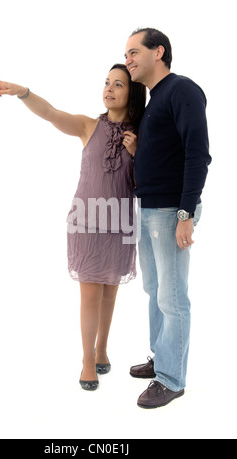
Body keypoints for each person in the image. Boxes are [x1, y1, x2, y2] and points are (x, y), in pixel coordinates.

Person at [0, 65, 146, 391]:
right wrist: (22, 92)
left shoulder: (141, 135)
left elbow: (144, 183)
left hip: (120, 222)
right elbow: (50, 113)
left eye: (118, 84)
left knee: (109, 293)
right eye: (107, 83)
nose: (110, 89)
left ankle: (102, 347)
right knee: (90, 295)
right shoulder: (89, 125)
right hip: (87, 221)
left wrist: (136, 153)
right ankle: (88, 360)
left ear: (132, 93)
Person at [124, 28, 211, 408]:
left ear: (158, 52)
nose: (128, 60)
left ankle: (172, 379)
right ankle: (162, 357)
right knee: (155, 292)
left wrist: (185, 213)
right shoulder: (154, 100)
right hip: (149, 207)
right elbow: (167, 151)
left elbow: (197, 154)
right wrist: (138, 148)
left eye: (133, 52)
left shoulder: (182, 90)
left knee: (173, 298)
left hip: (170, 211)